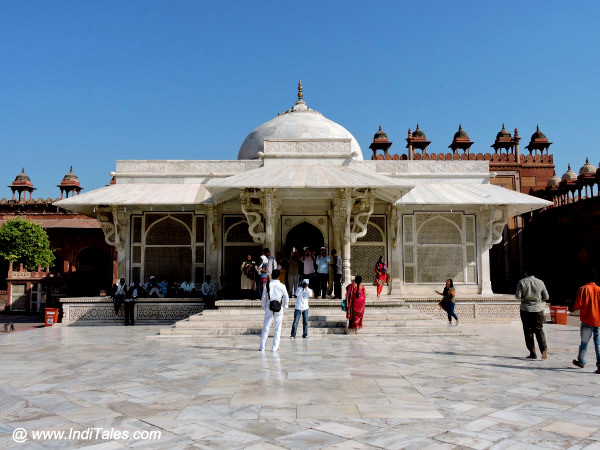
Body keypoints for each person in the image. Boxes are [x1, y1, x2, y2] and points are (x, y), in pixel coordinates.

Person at [571, 269, 600, 373]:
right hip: (598, 320)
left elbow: (578, 304)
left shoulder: (583, 289)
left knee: (584, 342)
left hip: (587, 320)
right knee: (598, 343)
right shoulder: (599, 289)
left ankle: (581, 361)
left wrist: (572, 308)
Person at [516, 269, 549, 360]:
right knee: (539, 329)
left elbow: (518, 296)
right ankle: (544, 350)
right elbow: (546, 296)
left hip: (525, 309)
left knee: (528, 331)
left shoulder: (522, 282)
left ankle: (532, 353)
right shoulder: (540, 282)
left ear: (526, 273)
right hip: (537, 309)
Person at [259, 269, 289, 352]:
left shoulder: (268, 285)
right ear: (279, 276)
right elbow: (286, 297)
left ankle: (262, 347)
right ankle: (275, 348)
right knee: (277, 329)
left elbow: (264, 297)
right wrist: (285, 307)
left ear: (272, 275)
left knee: (266, 328)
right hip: (279, 308)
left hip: (269, 307)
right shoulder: (282, 286)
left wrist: (264, 306)